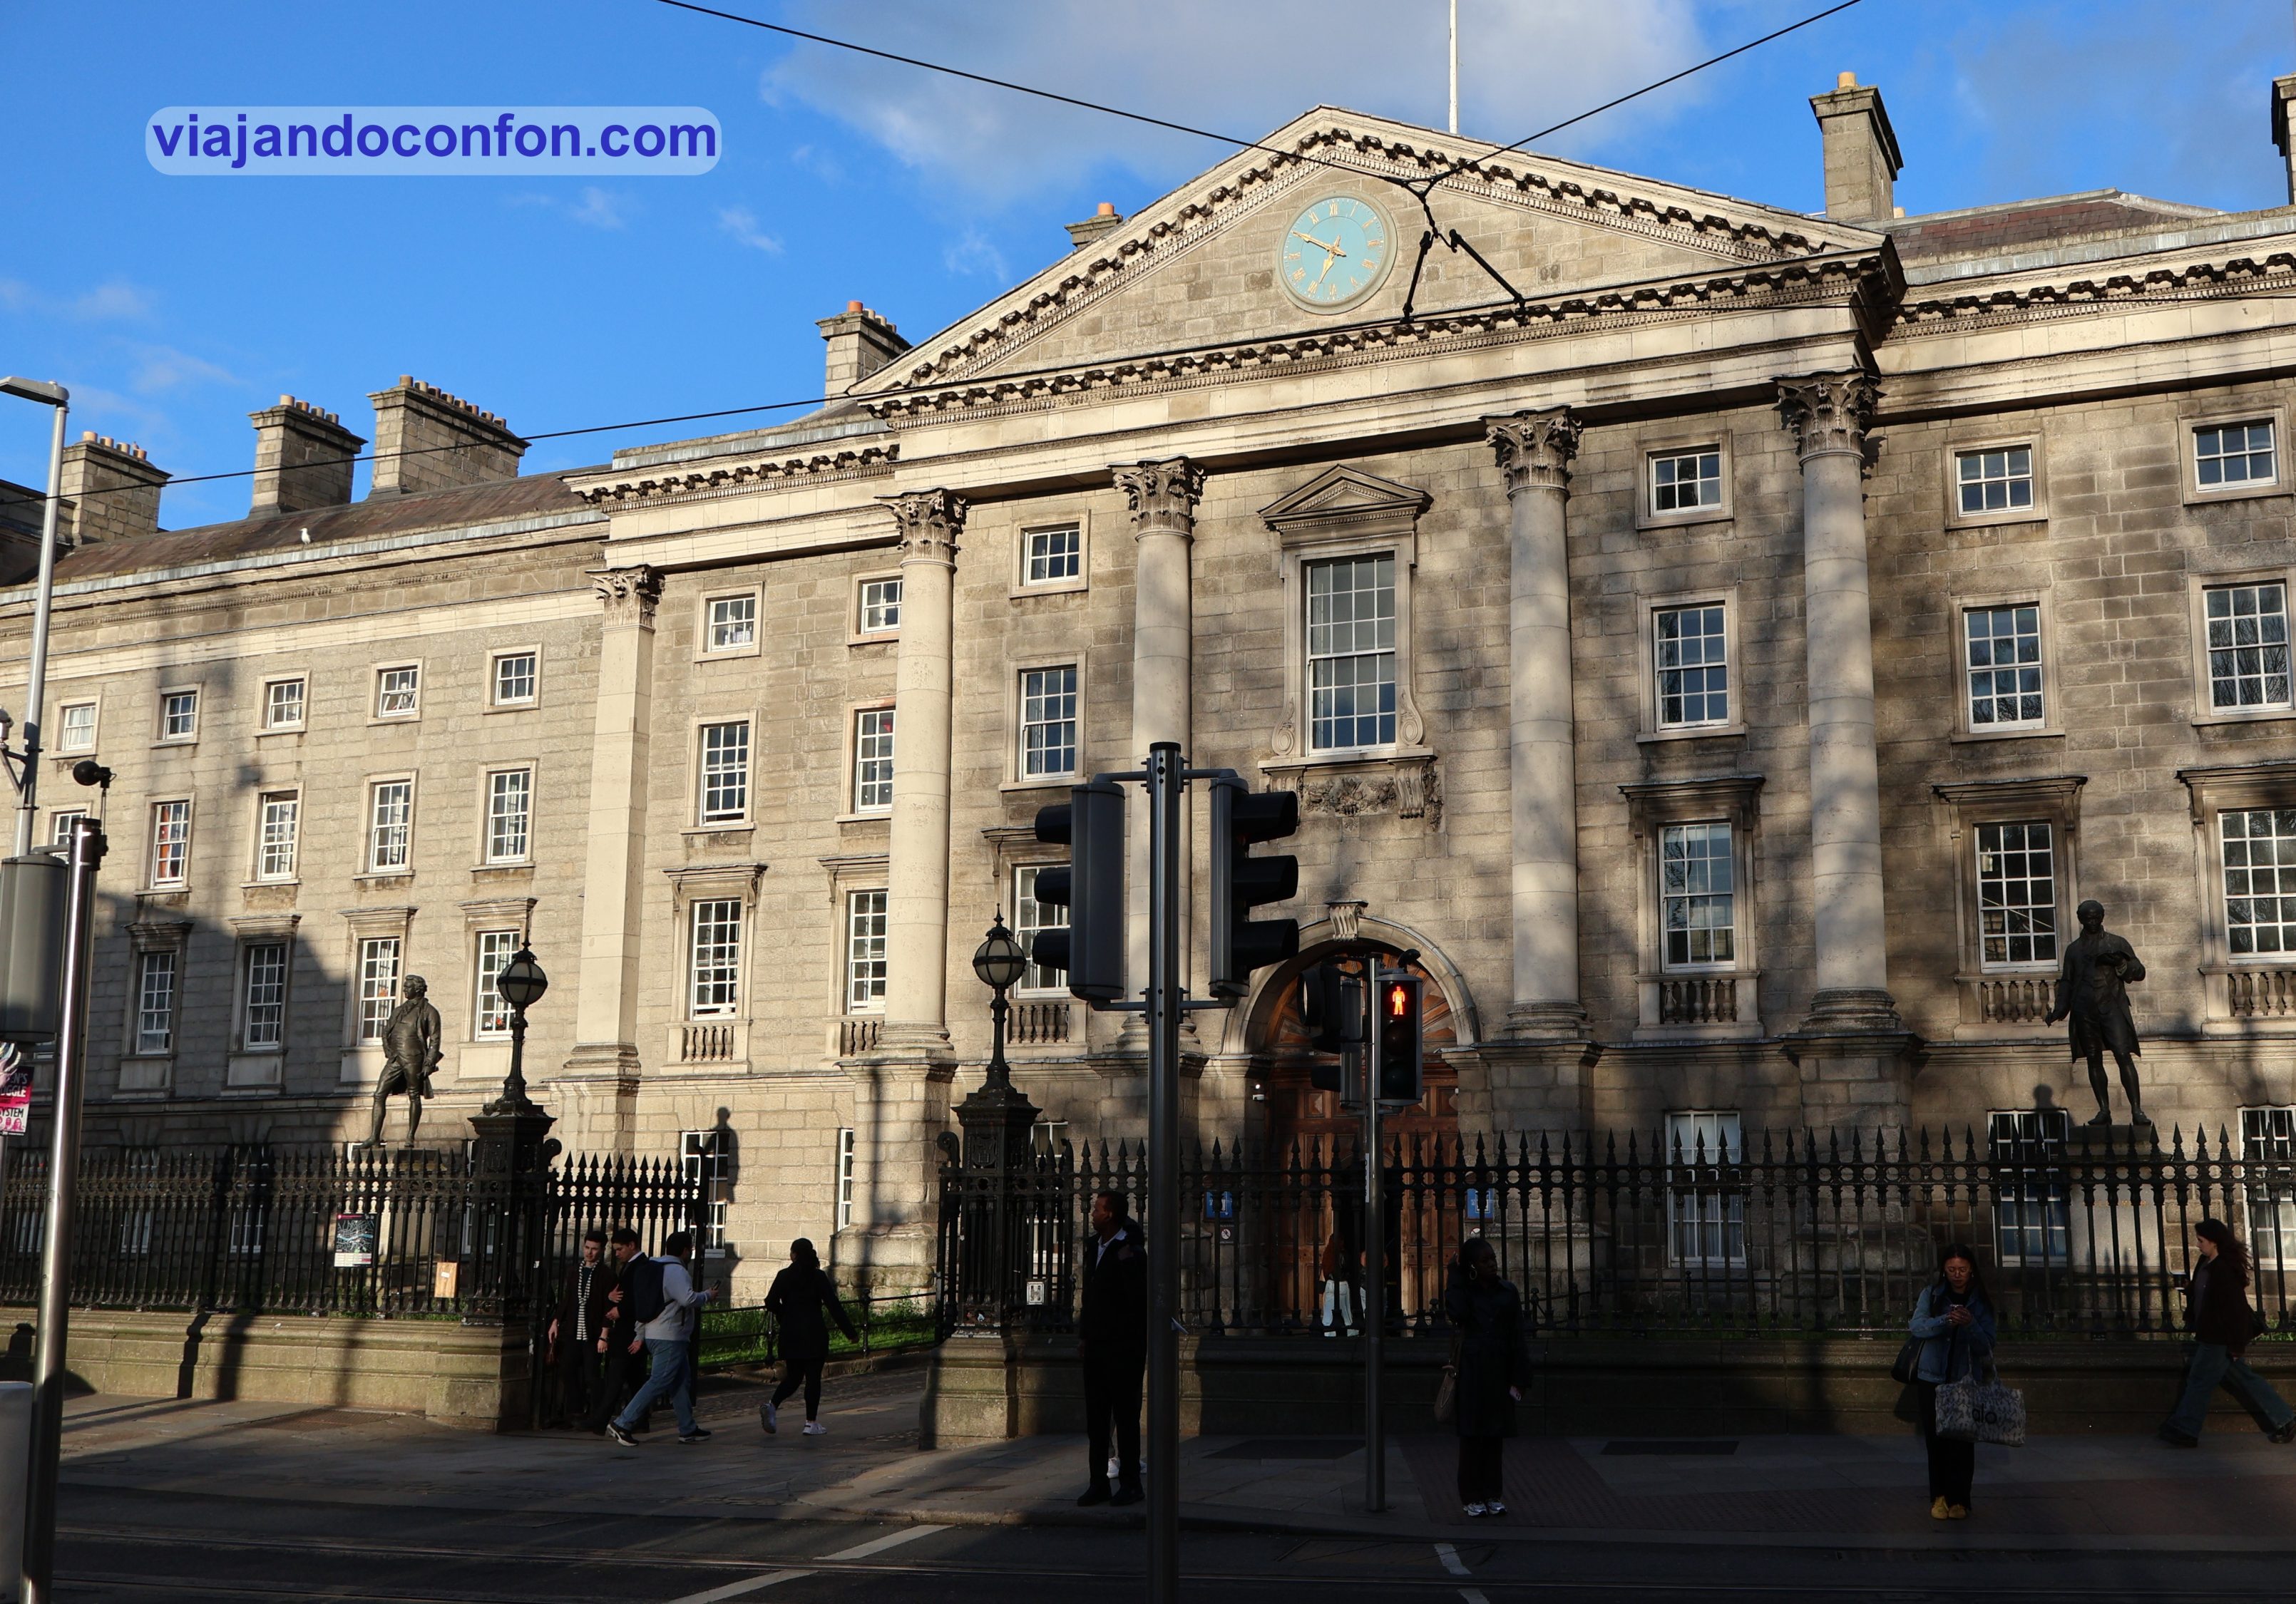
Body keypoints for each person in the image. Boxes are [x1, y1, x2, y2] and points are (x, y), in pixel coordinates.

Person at [2158, 1218, 2296, 1446]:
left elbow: (2234, 1311)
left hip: (2219, 1337)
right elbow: (2203, 1292)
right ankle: (2285, 1418)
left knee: (2199, 1381)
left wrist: (2236, 1346)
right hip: (2211, 1333)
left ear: (2214, 1242)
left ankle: (2186, 1429)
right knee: (2245, 1379)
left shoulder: (2224, 1269)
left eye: (2201, 1240)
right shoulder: (2205, 1263)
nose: (2198, 1244)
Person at [1907, 1243, 1998, 1520]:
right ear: (1944, 1271)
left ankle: (1960, 1499)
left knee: (1962, 1441)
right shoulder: (1932, 1295)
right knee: (1935, 1442)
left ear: (1971, 1271)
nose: (1957, 1275)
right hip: (1931, 1378)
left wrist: (1969, 1323)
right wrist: (1946, 1320)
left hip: (1964, 1379)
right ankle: (1939, 1497)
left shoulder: (1980, 1301)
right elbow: (1917, 1327)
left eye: (1962, 1270)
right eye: (1951, 1270)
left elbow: (1988, 1345)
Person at [1443, 1235, 1529, 1518]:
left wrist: (1519, 1376)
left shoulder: (1507, 1291)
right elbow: (1456, 1312)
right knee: (1472, 1436)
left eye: (1493, 1259)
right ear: (1472, 1266)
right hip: (1472, 1369)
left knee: (1494, 1436)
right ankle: (1470, 1495)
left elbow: (1517, 1335)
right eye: (1485, 1260)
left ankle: (1493, 1493)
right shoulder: (1466, 1293)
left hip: (1498, 1369)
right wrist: (1453, 1275)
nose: (1492, 1264)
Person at [605, 1230, 715, 1446]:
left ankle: (687, 1428)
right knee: (660, 1380)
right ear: (685, 1251)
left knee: (681, 1381)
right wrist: (707, 1296)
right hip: (669, 1334)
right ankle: (622, 1423)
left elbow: (643, 1303)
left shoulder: (653, 1267)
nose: (691, 1252)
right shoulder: (676, 1270)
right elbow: (687, 1299)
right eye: (691, 1249)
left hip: (657, 1332)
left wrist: (640, 1333)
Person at [1076, 1188, 1147, 1508]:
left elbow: (1135, 1301)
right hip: (1096, 1348)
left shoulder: (1129, 1250)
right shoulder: (1094, 1247)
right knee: (1097, 1419)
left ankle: (1131, 1484)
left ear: (1111, 1215)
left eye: (1098, 1209)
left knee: (1127, 1418)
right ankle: (1098, 1483)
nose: (1092, 1213)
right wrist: (1084, 1336)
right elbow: (1088, 1299)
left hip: (1123, 1349)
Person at [760, 1238, 856, 1436]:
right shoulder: (818, 1276)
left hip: (790, 1333)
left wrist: (784, 1313)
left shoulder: (784, 1275)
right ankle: (810, 1422)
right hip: (814, 1333)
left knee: (793, 1378)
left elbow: (770, 1301)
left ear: (793, 1254)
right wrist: (850, 1332)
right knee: (813, 1379)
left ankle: (772, 1405)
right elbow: (833, 1306)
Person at [547, 1229, 616, 1429]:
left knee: (592, 1375)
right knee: (567, 1368)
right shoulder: (573, 1271)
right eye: (587, 1248)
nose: (589, 1253)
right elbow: (567, 1298)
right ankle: (575, 1410)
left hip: (593, 1333)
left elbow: (607, 1307)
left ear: (602, 1250)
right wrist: (556, 1321)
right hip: (573, 1331)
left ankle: (597, 1415)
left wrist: (604, 1334)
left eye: (594, 1249)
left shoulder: (607, 1275)